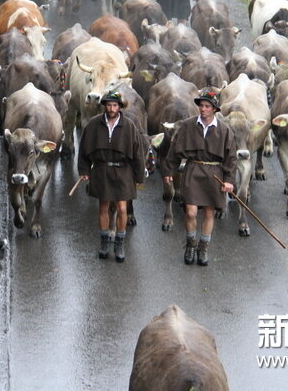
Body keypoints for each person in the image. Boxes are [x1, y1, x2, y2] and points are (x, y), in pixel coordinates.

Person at [161, 89, 236, 267]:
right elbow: (175, 150)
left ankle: (203, 248)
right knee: (191, 212)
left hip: (214, 174)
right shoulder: (188, 125)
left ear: (215, 109)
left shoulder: (224, 130)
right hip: (193, 170)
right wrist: (168, 171)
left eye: (207, 106)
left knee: (209, 212)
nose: (203, 109)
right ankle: (190, 244)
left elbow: (231, 157)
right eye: (201, 106)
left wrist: (229, 180)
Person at [77, 91, 145, 263]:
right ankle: (104, 242)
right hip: (102, 169)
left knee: (122, 208)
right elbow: (84, 149)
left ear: (120, 107)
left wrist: (139, 177)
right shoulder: (93, 125)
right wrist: (84, 170)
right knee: (103, 207)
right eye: (108, 105)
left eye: (115, 105)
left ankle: (119, 243)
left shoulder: (129, 126)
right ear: (104, 106)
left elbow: (138, 153)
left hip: (123, 171)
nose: (111, 108)